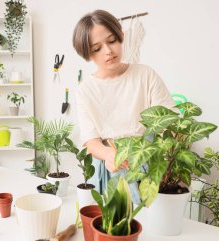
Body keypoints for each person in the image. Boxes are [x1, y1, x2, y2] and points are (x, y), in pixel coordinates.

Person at [73, 10, 175, 203]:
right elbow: (91, 141)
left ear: (120, 36)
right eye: (97, 49)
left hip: (148, 161)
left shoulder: (145, 75)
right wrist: (109, 154)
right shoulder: (85, 90)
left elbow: (170, 121)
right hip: (110, 167)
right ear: (87, 54)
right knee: (113, 225)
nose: (108, 51)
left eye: (111, 41)